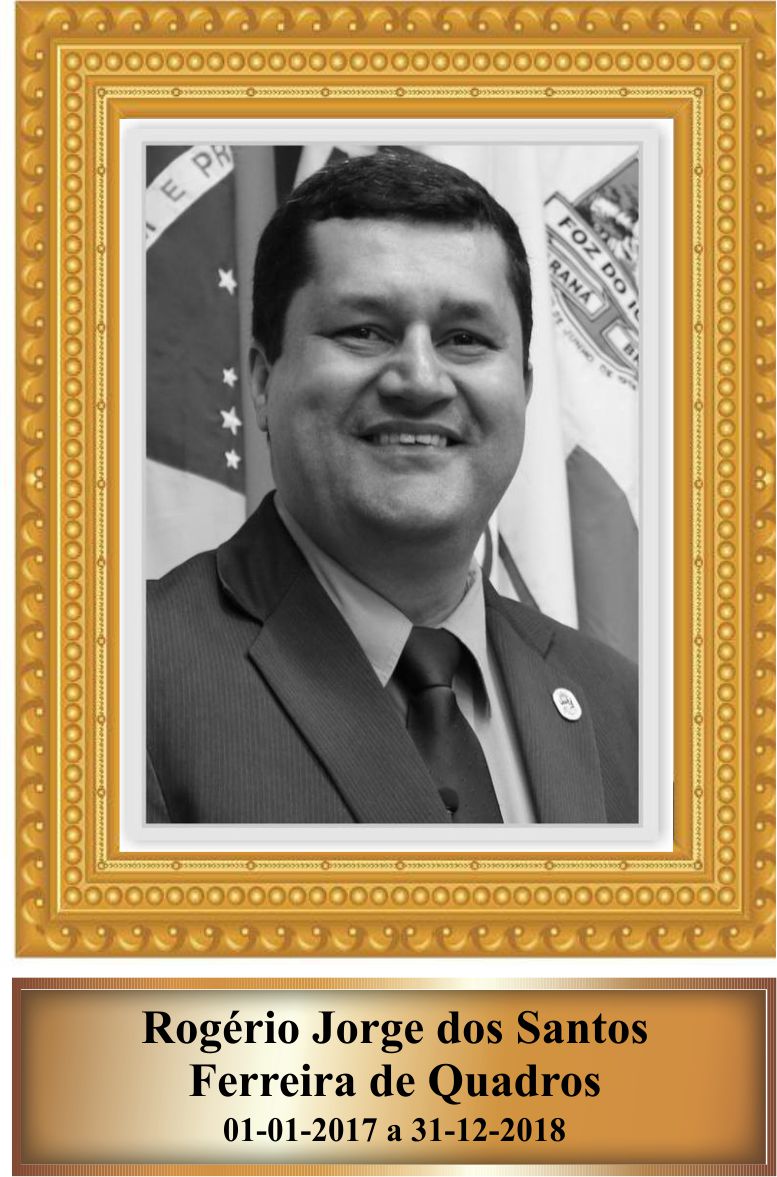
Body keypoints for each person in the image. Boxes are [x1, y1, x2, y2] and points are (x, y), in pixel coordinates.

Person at [147, 150, 638, 824]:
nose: (421, 380)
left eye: (464, 338)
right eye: (365, 332)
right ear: (262, 382)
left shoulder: (626, 711)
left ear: (524, 390)